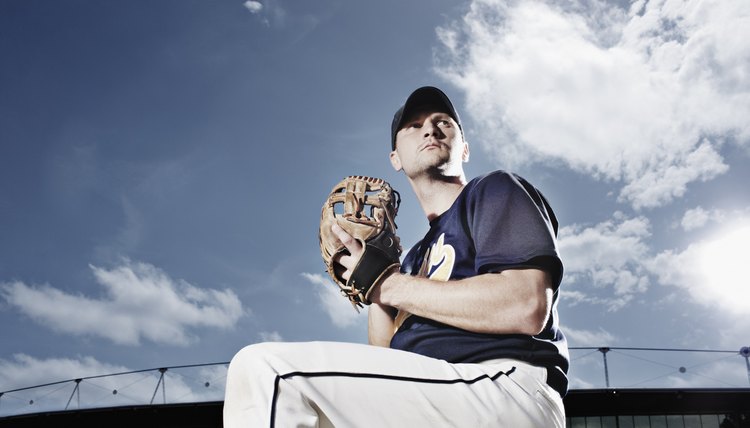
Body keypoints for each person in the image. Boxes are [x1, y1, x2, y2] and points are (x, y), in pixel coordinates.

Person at [223, 86, 568, 427]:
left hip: (503, 385)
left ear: (464, 149)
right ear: (395, 159)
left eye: (443, 122)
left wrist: (386, 283)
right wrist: (377, 278)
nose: (429, 129)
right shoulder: (411, 261)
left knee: (267, 372)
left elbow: (525, 305)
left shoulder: (492, 190)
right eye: (414, 126)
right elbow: (385, 356)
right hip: (437, 396)